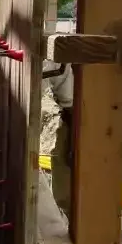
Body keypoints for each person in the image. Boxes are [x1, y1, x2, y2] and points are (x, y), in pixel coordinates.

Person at [43, 61, 73, 217]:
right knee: (61, 160)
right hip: (71, 114)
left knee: (64, 162)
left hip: (79, 113)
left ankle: (70, 218)